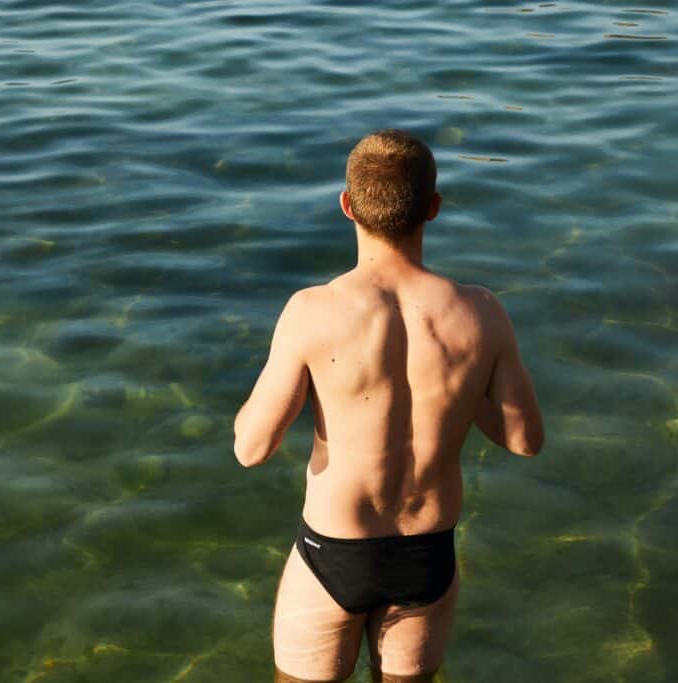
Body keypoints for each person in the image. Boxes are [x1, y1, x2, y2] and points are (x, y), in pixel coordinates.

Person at [233, 129, 544, 682]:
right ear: (434, 208)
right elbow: (525, 441)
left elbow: (252, 449)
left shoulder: (312, 310)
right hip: (427, 554)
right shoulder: (482, 313)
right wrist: (462, 389)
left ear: (347, 206)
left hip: (334, 548)